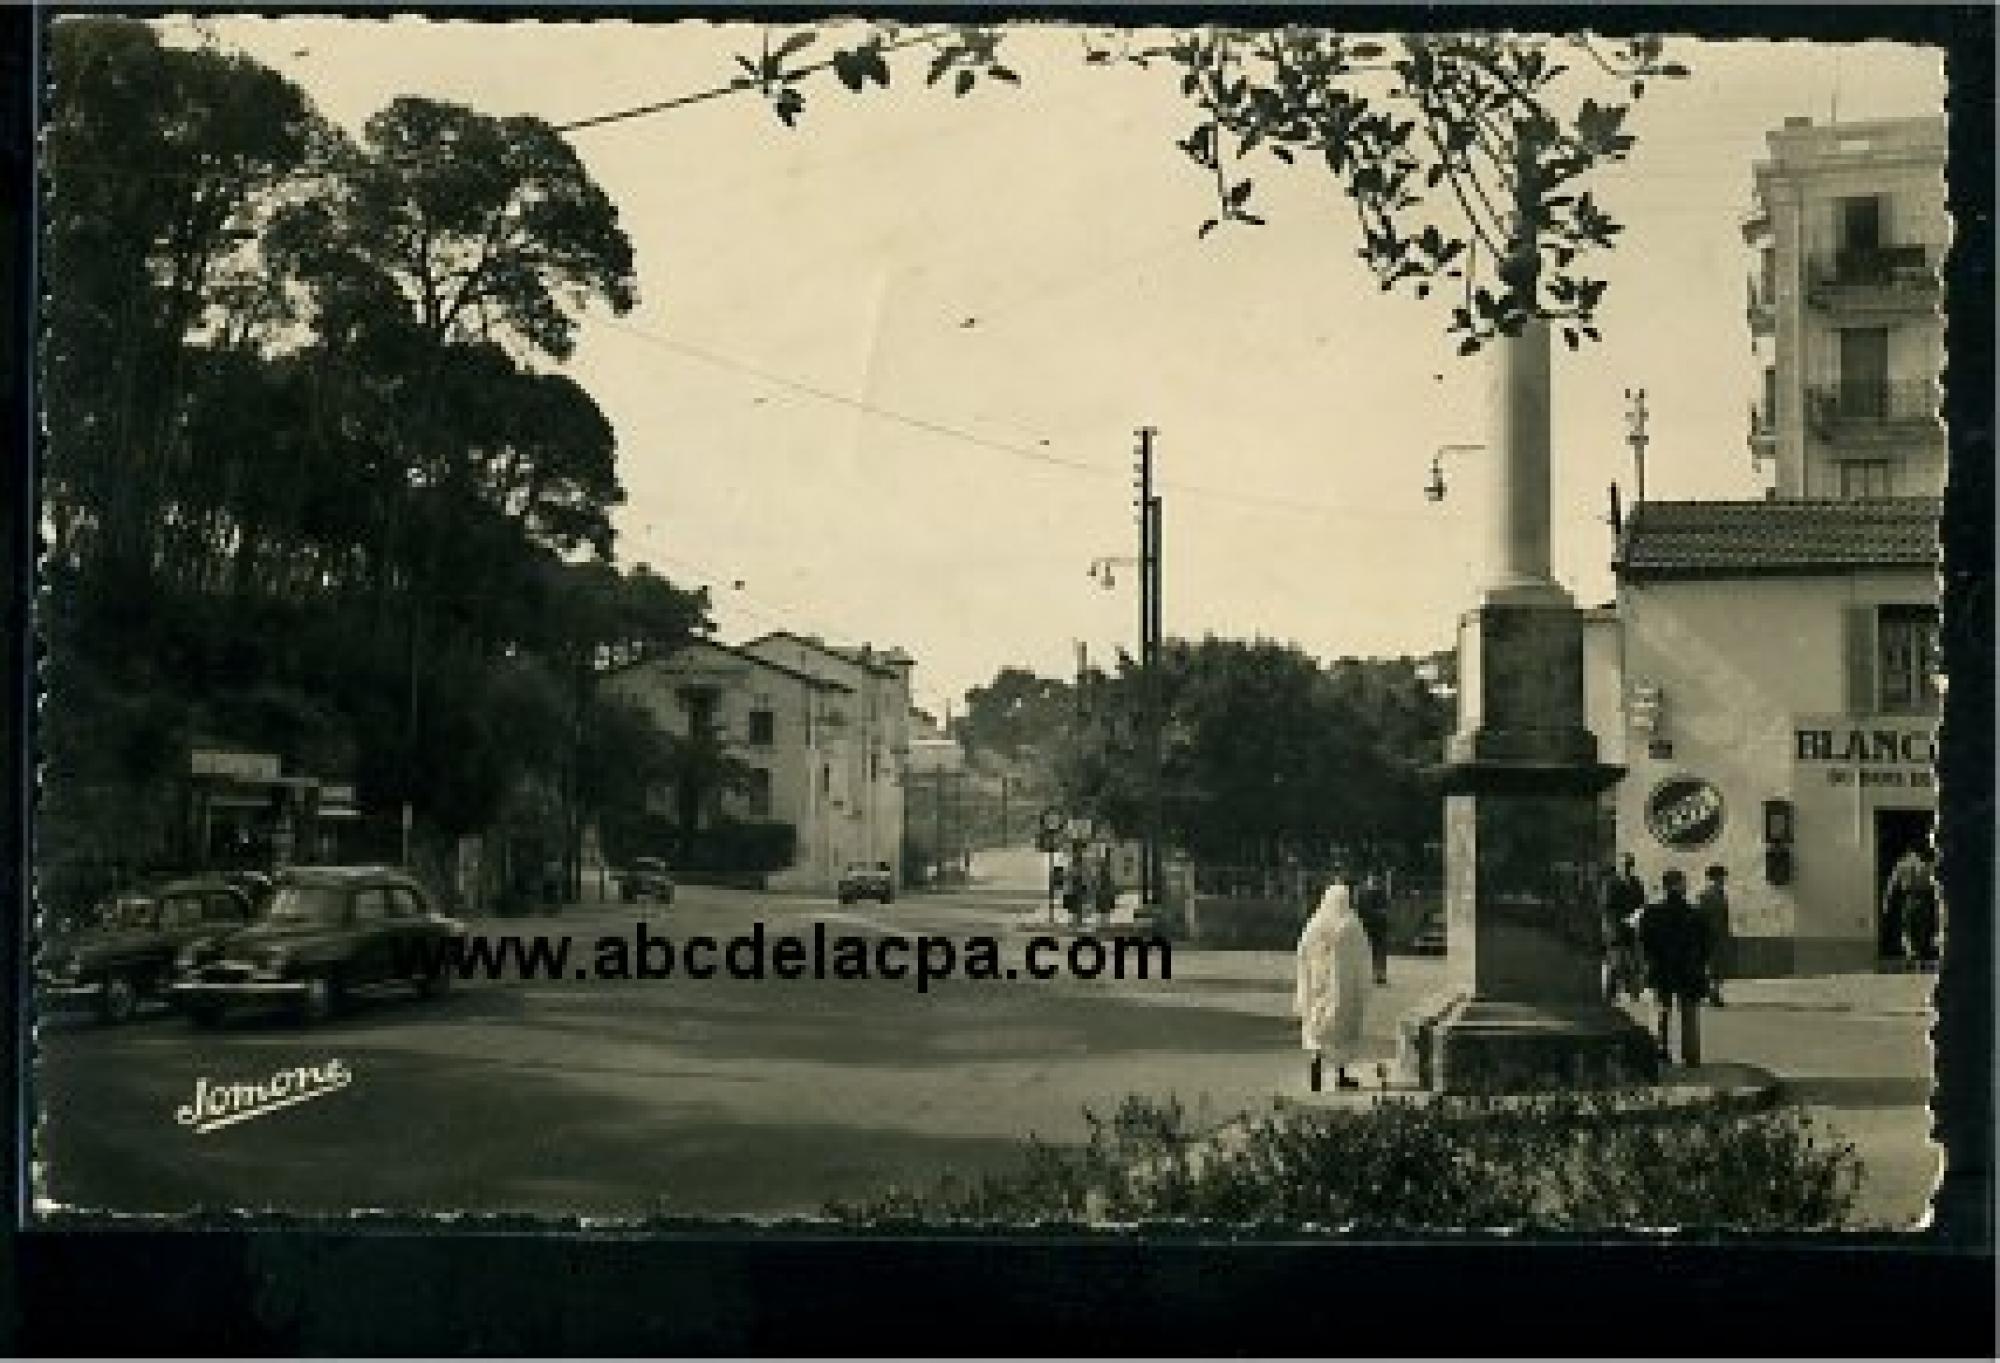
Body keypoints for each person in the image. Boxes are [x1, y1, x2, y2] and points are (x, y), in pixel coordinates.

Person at [1293, 875, 1373, 1092]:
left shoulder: (1315, 924)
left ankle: (1316, 1068)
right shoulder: (1351, 925)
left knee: (1318, 1029)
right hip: (1343, 991)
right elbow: (1363, 957)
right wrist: (1363, 986)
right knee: (1342, 1033)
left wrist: (1308, 982)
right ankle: (1341, 1075)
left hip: (1318, 990)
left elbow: (1302, 954)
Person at [1638, 868, 1708, 1067]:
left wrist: (1648, 963)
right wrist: (1700, 963)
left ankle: (1661, 1052)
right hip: (1689, 970)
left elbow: (1643, 941)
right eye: (1682, 883)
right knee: (1689, 1015)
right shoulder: (1694, 914)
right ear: (1677, 886)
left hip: (1661, 968)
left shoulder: (1651, 913)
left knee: (1661, 1011)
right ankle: (1691, 1055)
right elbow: (1705, 944)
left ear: (1664, 886)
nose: (1685, 886)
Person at [1599, 853, 1647, 1003]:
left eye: (1629, 865)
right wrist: (1618, 923)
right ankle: (1610, 993)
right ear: (1619, 866)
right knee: (1616, 961)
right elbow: (1607, 907)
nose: (1627, 868)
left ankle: (1632, 990)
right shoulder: (1610, 883)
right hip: (1614, 927)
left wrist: (1637, 918)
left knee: (1633, 960)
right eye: (1624, 865)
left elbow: (1641, 904)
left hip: (1632, 927)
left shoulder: (1636, 883)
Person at [1887, 847, 1941, 970]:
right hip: (1924, 898)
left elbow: (1893, 883)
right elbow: (1934, 884)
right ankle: (1921, 955)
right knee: (1924, 927)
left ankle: (1911, 955)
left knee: (1908, 927)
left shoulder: (1902, 863)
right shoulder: (1927, 863)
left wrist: (1888, 901)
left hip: (1910, 897)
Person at [1696, 864, 1733, 1006]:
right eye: (1721, 877)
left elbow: (1724, 916)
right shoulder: (1706, 895)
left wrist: (1727, 932)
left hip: (1719, 935)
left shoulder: (1721, 894)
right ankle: (1712, 994)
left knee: (1717, 967)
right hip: (1710, 936)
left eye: (1722, 877)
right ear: (1714, 878)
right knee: (1711, 967)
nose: (1723, 880)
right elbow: (1700, 917)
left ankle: (1714, 993)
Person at [1354, 869, 1392, 986]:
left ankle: (1379, 974)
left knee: (1377, 950)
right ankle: (1377, 974)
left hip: (1373, 924)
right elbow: (1360, 908)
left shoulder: (1365, 891)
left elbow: (1359, 908)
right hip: (1372, 924)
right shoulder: (1365, 891)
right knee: (1375, 950)